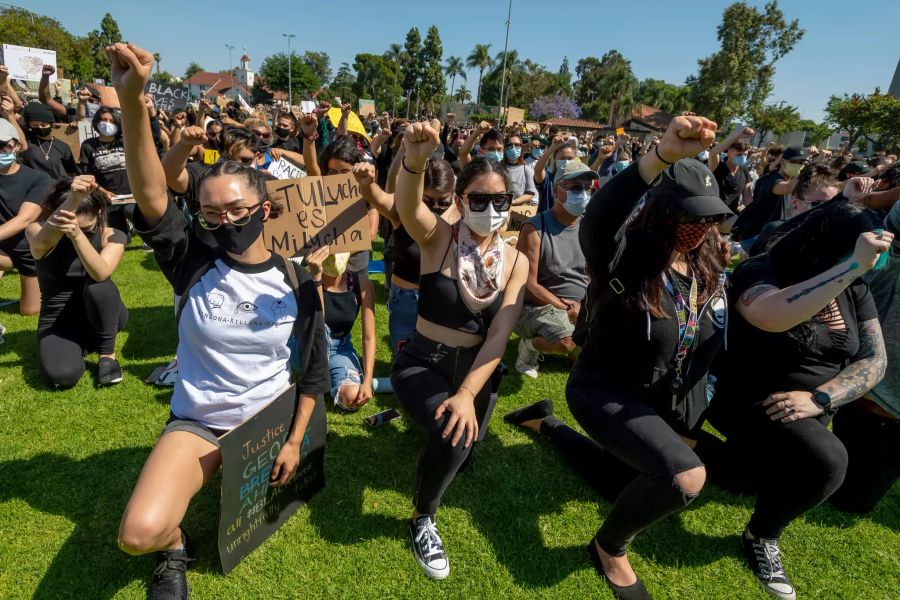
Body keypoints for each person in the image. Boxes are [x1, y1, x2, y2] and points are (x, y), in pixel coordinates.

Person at [104, 43, 328, 600]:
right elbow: (153, 191)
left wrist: (294, 440)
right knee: (140, 534)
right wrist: (133, 103)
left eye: (238, 211)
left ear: (265, 210)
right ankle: (177, 547)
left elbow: (314, 374)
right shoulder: (193, 261)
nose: (226, 222)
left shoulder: (299, 280)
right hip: (200, 423)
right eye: (213, 213)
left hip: (267, 423)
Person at [505, 115, 731, 600]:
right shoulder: (623, 254)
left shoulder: (708, 262)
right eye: (690, 216)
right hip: (602, 391)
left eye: (709, 218)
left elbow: (704, 341)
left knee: (623, 482)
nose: (701, 227)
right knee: (684, 476)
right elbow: (604, 214)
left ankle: (544, 423)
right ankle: (610, 546)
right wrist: (661, 155)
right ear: (661, 211)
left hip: (660, 400)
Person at [705, 200, 890, 600]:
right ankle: (761, 535)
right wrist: (853, 266)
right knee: (829, 460)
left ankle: (693, 444)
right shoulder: (762, 270)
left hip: (807, 408)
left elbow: (875, 360)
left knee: (741, 477)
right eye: (850, 253)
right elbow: (771, 315)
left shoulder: (854, 287)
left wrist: (822, 397)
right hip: (751, 399)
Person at [391, 122, 527, 580]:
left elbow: (499, 336)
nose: (490, 209)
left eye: (499, 200)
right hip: (422, 360)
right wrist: (413, 159)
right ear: (461, 199)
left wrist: (468, 392)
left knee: (464, 447)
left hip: (476, 369)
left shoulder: (515, 261)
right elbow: (407, 205)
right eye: (479, 199)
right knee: (455, 434)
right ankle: (423, 518)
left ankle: (446, 421)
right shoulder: (439, 239)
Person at [827, 185, 900, 514]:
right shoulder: (884, 259)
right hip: (862, 399)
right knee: (843, 494)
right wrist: (864, 199)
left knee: (854, 503)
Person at [25, 175, 128, 387]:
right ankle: (75, 347)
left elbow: (100, 273)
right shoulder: (36, 230)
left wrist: (76, 235)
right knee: (61, 377)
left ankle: (107, 356)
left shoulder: (112, 235)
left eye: (87, 228)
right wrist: (73, 199)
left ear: (99, 213)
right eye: (68, 226)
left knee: (99, 286)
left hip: (101, 314)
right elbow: (41, 243)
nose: (77, 230)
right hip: (58, 321)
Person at [353, 159, 457, 352]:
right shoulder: (402, 207)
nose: (435, 207)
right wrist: (366, 182)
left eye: (443, 202)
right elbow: (376, 196)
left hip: (441, 299)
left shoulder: (458, 214)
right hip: (406, 299)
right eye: (427, 201)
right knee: (404, 356)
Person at [513, 160, 593, 378]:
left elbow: (595, 276)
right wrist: (568, 308)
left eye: (588, 188)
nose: (584, 194)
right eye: (576, 188)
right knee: (565, 342)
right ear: (557, 190)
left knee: (602, 359)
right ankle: (529, 345)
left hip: (581, 307)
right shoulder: (534, 228)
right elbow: (528, 286)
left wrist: (586, 308)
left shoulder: (589, 228)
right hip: (538, 306)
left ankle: (577, 339)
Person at [303, 246, 376, 411]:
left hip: (340, 348)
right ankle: (320, 378)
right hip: (308, 345)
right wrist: (316, 278)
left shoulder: (361, 284)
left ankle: (328, 378)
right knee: (322, 335)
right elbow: (317, 326)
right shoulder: (305, 281)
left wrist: (367, 380)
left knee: (352, 396)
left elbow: (369, 337)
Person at [0, 116, 52, 316]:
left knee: (30, 311)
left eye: (2, 145)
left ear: (15, 146)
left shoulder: (39, 178)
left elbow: (25, 219)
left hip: (28, 249)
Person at [748, 164, 841, 255]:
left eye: (833, 204)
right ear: (795, 202)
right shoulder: (775, 230)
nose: (828, 209)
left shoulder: (835, 237)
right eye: (819, 204)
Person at [732, 146, 807, 251]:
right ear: (782, 161)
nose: (799, 165)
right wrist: (806, 172)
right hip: (755, 236)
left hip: (767, 235)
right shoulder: (773, 179)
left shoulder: (789, 180)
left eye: (802, 163)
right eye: (795, 162)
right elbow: (787, 188)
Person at [18, 102, 77, 181]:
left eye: (44, 124)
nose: (40, 128)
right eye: (35, 125)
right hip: (35, 189)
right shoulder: (27, 141)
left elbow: (71, 172)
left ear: (51, 124)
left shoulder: (63, 146)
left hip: (60, 189)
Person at [707, 127, 754, 214]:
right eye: (739, 154)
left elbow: (747, 195)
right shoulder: (717, 166)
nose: (742, 157)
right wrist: (738, 136)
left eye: (745, 155)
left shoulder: (744, 170)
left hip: (730, 214)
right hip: (712, 214)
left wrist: (749, 208)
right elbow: (713, 152)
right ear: (728, 152)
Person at [533, 134, 578, 212]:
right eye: (562, 158)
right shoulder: (548, 179)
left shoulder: (578, 181)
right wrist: (553, 147)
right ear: (555, 160)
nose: (566, 161)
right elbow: (538, 170)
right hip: (546, 222)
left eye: (570, 158)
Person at [501, 133, 537, 206]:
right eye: (510, 145)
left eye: (517, 145)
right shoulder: (498, 167)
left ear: (521, 147)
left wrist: (513, 203)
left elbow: (530, 193)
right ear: (505, 148)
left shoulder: (526, 169)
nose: (514, 148)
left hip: (516, 211)